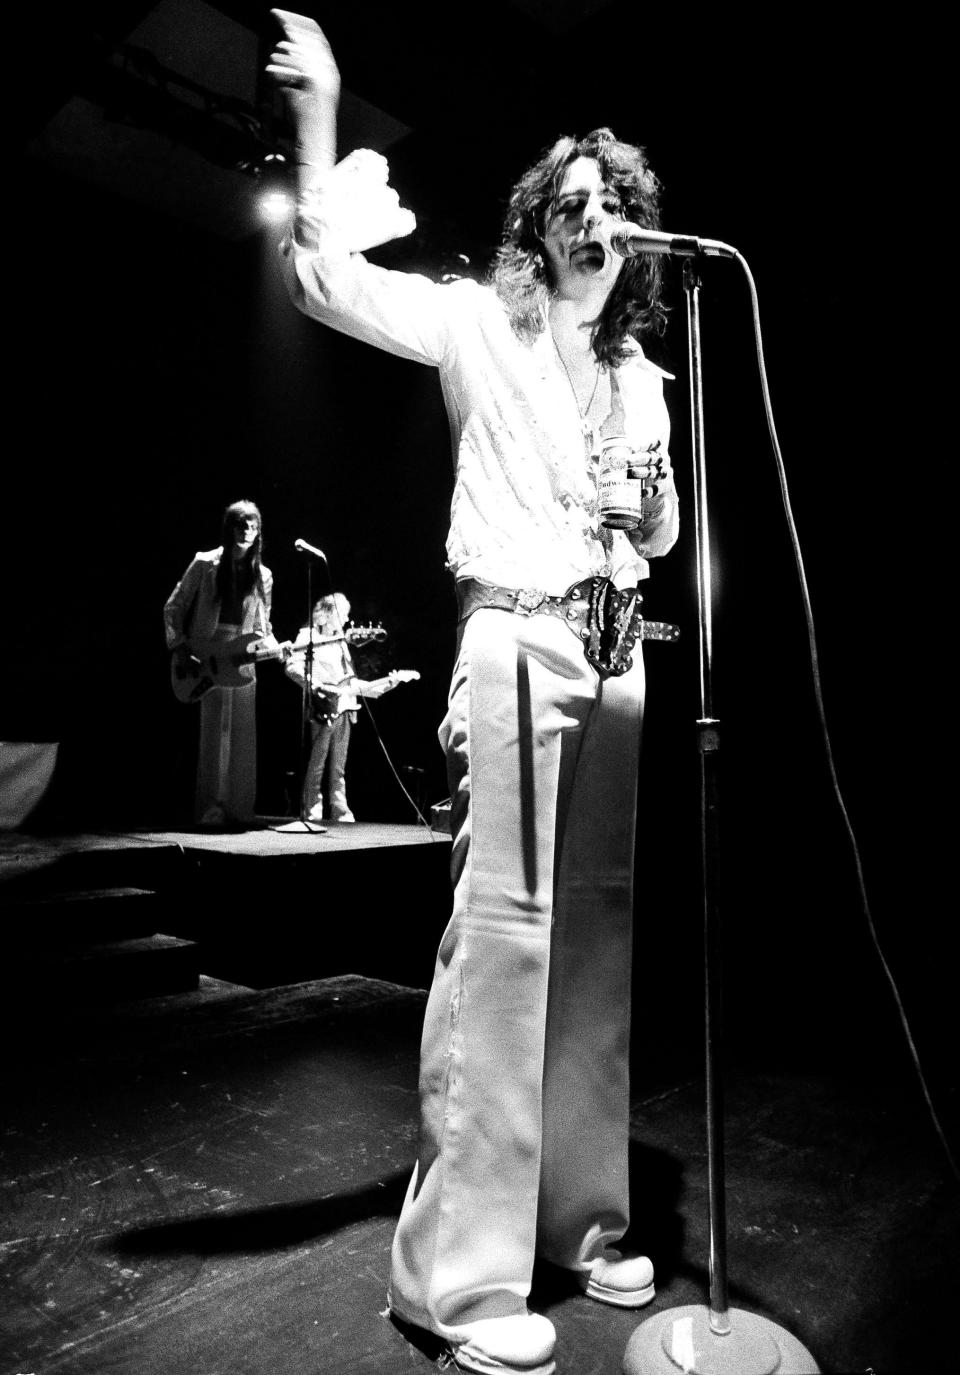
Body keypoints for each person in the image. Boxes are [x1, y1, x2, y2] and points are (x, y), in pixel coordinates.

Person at [268, 14, 680, 1374]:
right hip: (508, 641)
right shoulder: (471, 324)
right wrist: (325, 112)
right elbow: (326, 280)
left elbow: (657, 537)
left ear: (634, 232)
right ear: (534, 227)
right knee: (504, 941)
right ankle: (461, 1274)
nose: (589, 218)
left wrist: (649, 501)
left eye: (610, 202)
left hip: (616, 656)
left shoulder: (641, 379)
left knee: (600, 947)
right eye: (567, 202)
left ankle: (585, 1216)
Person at [164, 499, 277, 829]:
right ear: (229, 528)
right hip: (207, 652)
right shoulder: (205, 563)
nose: (247, 531)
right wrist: (180, 646)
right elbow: (174, 607)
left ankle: (240, 807)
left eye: (253, 526)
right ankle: (211, 807)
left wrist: (276, 650)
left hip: (244, 654)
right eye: (241, 525)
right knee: (214, 732)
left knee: (243, 732)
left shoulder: (263, 575)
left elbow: (263, 625)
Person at [284, 591, 392, 823]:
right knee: (317, 764)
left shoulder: (342, 643)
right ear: (324, 615)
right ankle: (312, 812)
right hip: (322, 707)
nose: (345, 620)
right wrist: (315, 686)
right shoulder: (307, 636)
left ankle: (341, 812)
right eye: (341, 614)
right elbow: (292, 666)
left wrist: (385, 685)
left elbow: (349, 680)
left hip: (345, 708)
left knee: (339, 769)